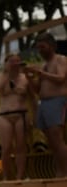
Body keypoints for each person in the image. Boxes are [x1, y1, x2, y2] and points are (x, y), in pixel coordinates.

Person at [25, 32, 67, 177]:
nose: (40, 50)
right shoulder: (43, 65)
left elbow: (61, 78)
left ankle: (64, 172)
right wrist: (30, 77)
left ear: (51, 46)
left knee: (57, 137)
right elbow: (37, 89)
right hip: (44, 103)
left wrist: (40, 74)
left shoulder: (61, 59)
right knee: (51, 141)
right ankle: (59, 171)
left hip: (57, 100)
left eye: (42, 47)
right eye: (38, 48)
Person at [0, 53, 31, 180]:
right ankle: (6, 176)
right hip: (4, 114)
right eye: (11, 61)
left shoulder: (24, 77)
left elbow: (24, 91)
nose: (14, 64)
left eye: (16, 61)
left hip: (20, 112)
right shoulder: (2, 76)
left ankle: (20, 175)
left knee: (20, 146)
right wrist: (7, 74)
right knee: (6, 147)